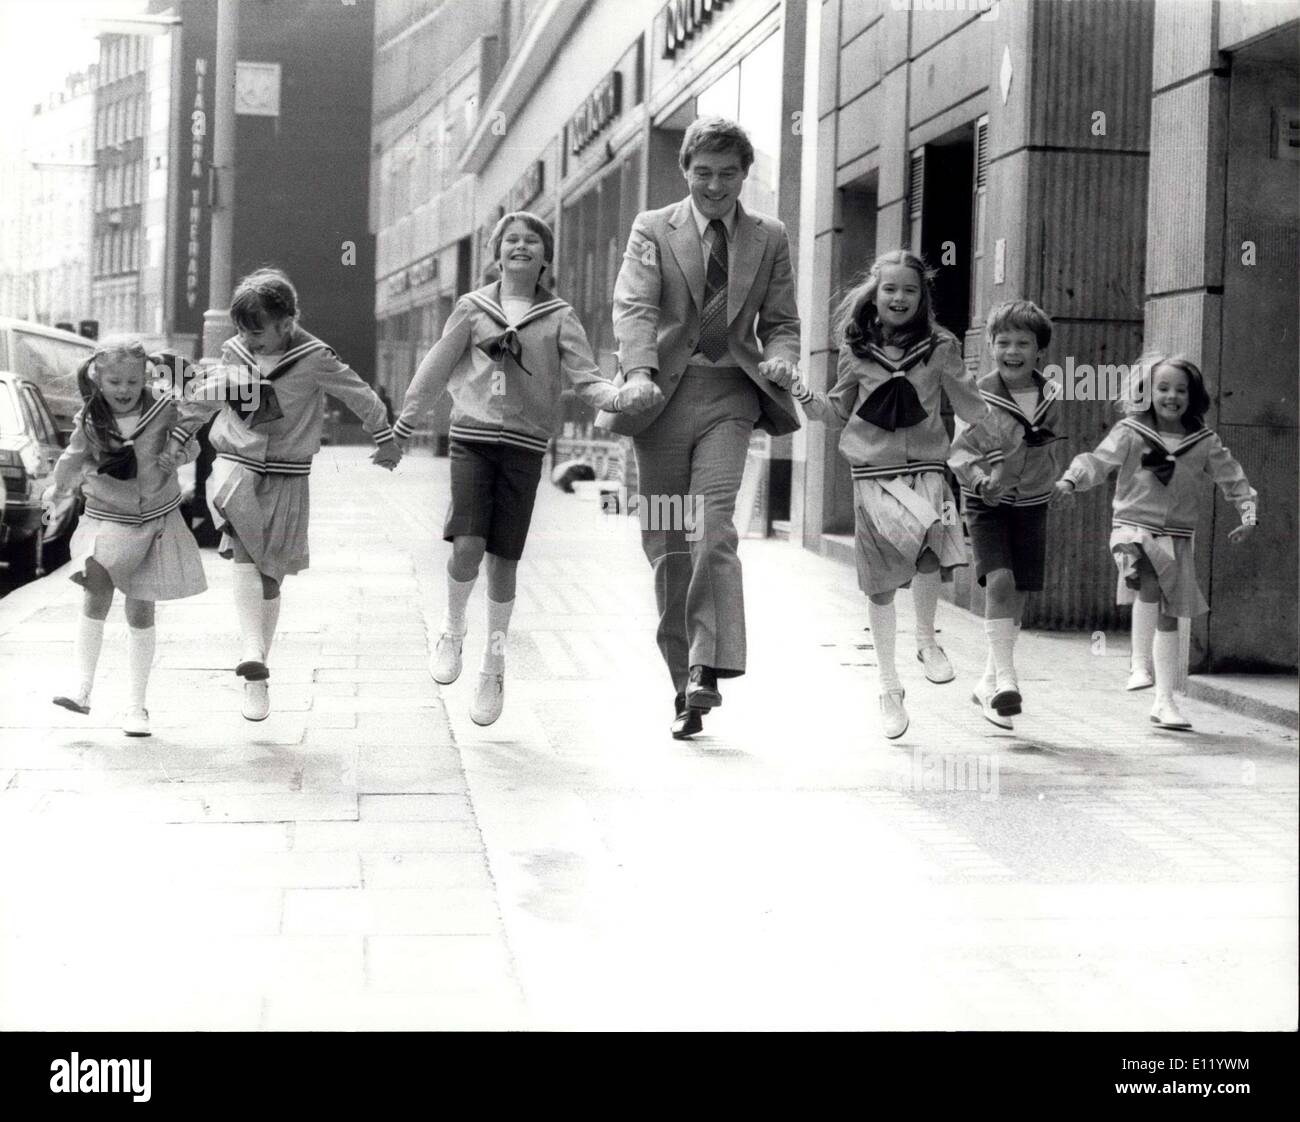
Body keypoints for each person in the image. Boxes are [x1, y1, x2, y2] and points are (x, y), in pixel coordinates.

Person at [394, 211, 657, 726]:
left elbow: (586, 377)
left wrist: (620, 397)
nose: (520, 246)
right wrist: (405, 424)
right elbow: (436, 366)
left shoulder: (560, 316)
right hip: (472, 440)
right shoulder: (472, 310)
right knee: (468, 546)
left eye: (531, 241)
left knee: (505, 561)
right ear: (497, 252)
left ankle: (494, 663)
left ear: (545, 255)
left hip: (524, 447)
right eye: (510, 239)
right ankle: (452, 628)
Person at [600, 116, 801, 740]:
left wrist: (783, 359)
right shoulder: (652, 229)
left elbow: (784, 322)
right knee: (667, 545)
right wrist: (637, 372)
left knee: (713, 527)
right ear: (685, 171)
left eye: (728, 174)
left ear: (745, 175)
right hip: (658, 397)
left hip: (729, 397)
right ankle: (681, 681)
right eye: (703, 173)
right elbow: (634, 304)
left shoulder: (769, 236)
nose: (715, 185)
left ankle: (706, 666)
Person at [176, 268, 401, 721]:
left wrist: (386, 436)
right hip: (237, 467)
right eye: (243, 331)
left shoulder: (315, 358)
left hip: (287, 476)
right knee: (244, 554)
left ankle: (258, 673)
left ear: (288, 321)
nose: (250, 340)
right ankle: (251, 651)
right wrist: (178, 435)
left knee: (269, 575)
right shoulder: (234, 352)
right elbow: (206, 398)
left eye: (258, 332)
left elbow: (359, 393)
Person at [784, 250, 987, 740]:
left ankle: (925, 641)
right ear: (874, 294)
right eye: (890, 289)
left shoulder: (941, 346)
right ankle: (888, 685)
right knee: (878, 586)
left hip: (928, 470)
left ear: (923, 298)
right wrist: (801, 392)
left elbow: (969, 406)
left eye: (910, 290)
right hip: (875, 476)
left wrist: (987, 414)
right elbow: (835, 411)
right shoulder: (855, 349)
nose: (899, 297)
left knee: (930, 552)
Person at [1054, 354, 1257, 730]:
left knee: (1170, 615)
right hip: (1134, 527)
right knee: (1148, 577)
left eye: (1181, 390)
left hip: (1177, 536)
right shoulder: (1131, 431)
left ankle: (1164, 701)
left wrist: (1248, 514)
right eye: (1163, 388)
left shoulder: (1204, 441)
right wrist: (1071, 479)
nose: (1171, 396)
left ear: (1192, 397)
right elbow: (1098, 462)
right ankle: (1138, 663)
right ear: (1146, 392)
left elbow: (1233, 478)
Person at [43, 336, 206, 737]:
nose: (124, 390)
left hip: (154, 519)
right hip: (106, 516)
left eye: (132, 382)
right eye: (115, 382)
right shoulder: (90, 418)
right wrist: (57, 490)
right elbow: (73, 457)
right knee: (95, 589)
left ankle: (137, 706)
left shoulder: (165, 409)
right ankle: (81, 688)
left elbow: (194, 443)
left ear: (145, 377)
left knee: (140, 607)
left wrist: (179, 455)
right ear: (98, 378)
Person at [948, 299, 1061, 729]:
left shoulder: (1050, 394)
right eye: (1003, 342)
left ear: (1039, 352)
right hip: (987, 502)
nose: (1012, 351)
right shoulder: (976, 394)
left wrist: (1052, 483)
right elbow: (959, 452)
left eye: (1023, 343)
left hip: (1031, 503)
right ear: (991, 346)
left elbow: (1044, 446)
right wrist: (980, 482)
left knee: (1019, 594)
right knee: (1000, 581)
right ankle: (1007, 681)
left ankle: (989, 683)